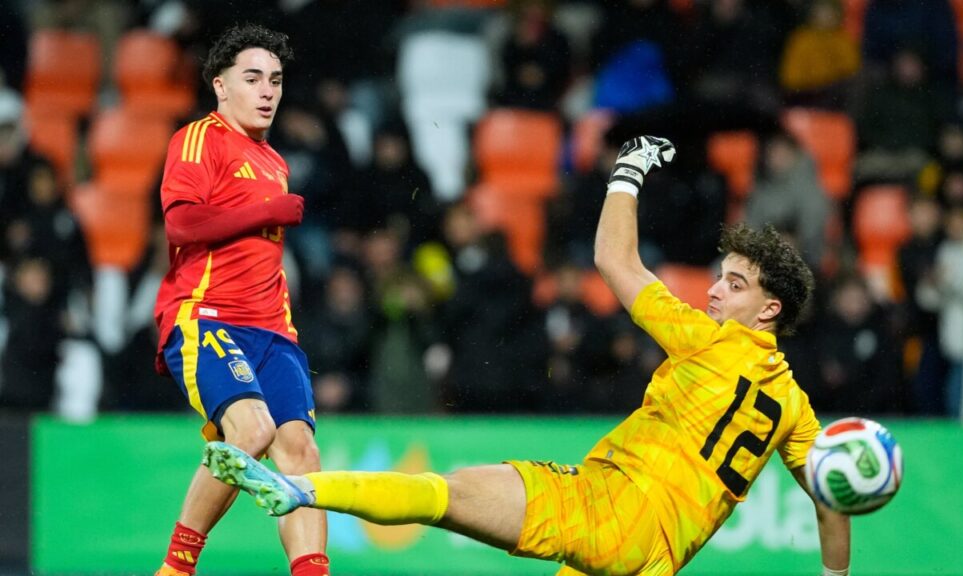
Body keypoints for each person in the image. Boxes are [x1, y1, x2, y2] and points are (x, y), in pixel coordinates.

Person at [203, 136, 851, 575]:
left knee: (446, 494)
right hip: (654, 561)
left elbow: (614, 261)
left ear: (770, 311)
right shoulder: (795, 409)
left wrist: (627, 172)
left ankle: (298, 490)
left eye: (735, 285)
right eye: (720, 274)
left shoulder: (709, 341)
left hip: (608, 508)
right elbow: (830, 497)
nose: (713, 288)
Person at [151, 24, 330, 576]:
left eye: (275, 80)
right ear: (220, 86)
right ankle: (177, 568)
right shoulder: (199, 137)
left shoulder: (274, 162)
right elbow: (181, 224)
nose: (267, 91)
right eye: (252, 78)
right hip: (207, 319)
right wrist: (265, 212)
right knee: (251, 432)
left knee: (300, 450)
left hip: (273, 331)